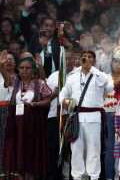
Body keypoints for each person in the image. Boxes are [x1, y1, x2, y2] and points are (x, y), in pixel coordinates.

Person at [2, 52, 52, 180]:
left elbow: (48, 100)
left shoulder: (39, 83)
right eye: (22, 67)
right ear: (18, 70)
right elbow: (5, 77)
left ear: (33, 70)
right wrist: (1, 66)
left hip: (33, 123)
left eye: (28, 68)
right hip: (17, 124)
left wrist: (37, 104)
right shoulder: (15, 82)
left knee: (31, 154)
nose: (24, 70)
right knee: (19, 154)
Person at [59, 50, 108, 180]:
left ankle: (94, 177)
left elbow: (106, 82)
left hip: (94, 117)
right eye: (83, 57)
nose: (86, 59)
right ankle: (77, 177)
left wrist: (90, 68)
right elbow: (62, 94)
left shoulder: (99, 75)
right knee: (76, 150)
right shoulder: (72, 77)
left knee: (94, 150)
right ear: (79, 60)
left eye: (89, 57)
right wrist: (64, 101)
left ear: (94, 61)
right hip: (76, 117)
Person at [46, 50, 77, 180]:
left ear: (75, 60)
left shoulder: (79, 74)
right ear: (60, 60)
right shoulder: (53, 76)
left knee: (72, 150)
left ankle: (71, 176)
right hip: (54, 116)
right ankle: (56, 176)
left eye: (70, 58)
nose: (68, 61)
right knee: (55, 149)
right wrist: (54, 93)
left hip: (72, 117)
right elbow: (46, 96)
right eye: (65, 59)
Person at [0, 50, 17, 178]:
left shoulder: (18, 77)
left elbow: (8, 81)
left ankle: (10, 174)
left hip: (10, 111)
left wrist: (1, 66)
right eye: (6, 58)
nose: (8, 60)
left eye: (11, 59)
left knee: (8, 143)